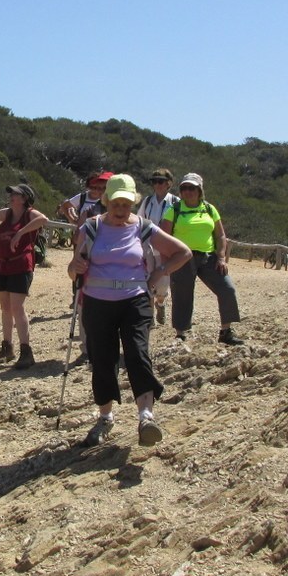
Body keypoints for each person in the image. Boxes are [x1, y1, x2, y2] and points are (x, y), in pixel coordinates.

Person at [67, 174, 191, 447]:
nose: (121, 209)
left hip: (134, 300)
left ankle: (146, 417)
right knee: (102, 360)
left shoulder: (144, 228)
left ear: (133, 202)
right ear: (107, 200)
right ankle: (105, 417)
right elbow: (73, 267)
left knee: (137, 353)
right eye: (116, 203)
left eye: (127, 203)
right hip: (97, 302)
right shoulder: (90, 228)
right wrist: (74, 268)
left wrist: (160, 272)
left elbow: (183, 252)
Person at [0, 184, 49, 369]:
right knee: (5, 307)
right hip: (1, 265)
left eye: (15, 194)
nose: (11, 196)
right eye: (11, 194)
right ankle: (7, 347)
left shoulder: (30, 214)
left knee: (17, 307)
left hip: (21, 265)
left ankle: (26, 351)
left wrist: (20, 232)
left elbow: (43, 220)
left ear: (25, 198)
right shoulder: (7, 213)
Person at [159, 172, 244, 345]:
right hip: (182, 257)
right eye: (184, 188)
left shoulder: (209, 209)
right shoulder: (173, 210)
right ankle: (181, 334)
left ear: (200, 190)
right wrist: (167, 262)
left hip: (208, 257)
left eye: (192, 188)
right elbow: (164, 237)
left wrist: (221, 257)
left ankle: (226, 331)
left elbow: (220, 236)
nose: (188, 191)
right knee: (182, 294)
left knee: (227, 288)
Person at [137, 168, 178, 326]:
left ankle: (160, 303)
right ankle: (149, 316)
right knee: (147, 279)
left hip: (165, 249)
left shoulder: (175, 203)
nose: (157, 184)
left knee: (162, 285)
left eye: (161, 181)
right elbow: (139, 221)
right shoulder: (147, 202)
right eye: (154, 181)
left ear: (169, 183)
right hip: (148, 247)